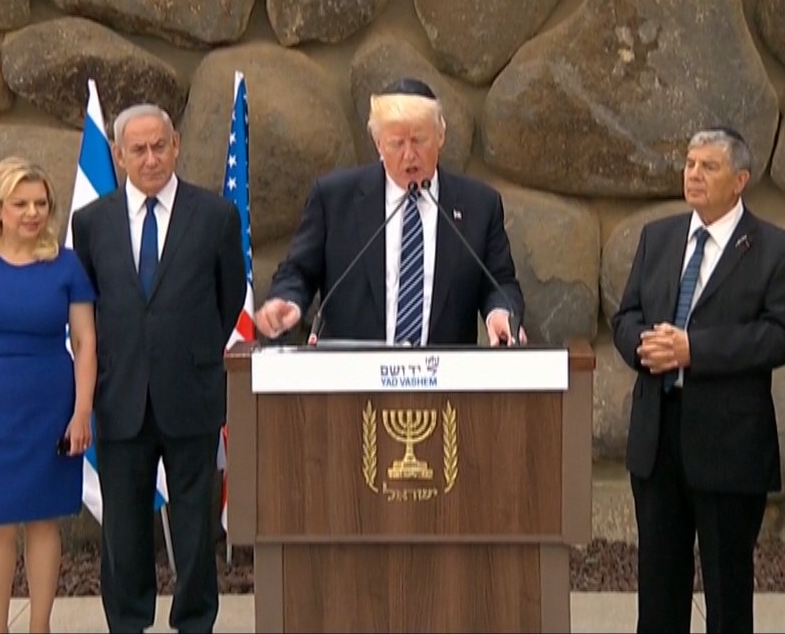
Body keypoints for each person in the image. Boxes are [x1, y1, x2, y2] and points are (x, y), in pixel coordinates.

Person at [611, 127, 785, 634]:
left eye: (709, 167)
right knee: (658, 590)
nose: (693, 174)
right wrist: (644, 345)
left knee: (726, 592)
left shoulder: (778, 250)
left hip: (728, 444)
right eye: (690, 163)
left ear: (740, 180)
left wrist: (693, 350)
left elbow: (779, 337)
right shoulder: (659, 237)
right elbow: (627, 313)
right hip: (658, 439)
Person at [71, 104, 246, 633]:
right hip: (120, 392)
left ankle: (194, 620)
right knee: (123, 526)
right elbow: (88, 305)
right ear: (119, 155)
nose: (151, 159)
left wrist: (189, 350)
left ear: (176, 146)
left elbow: (229, 295)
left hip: (189, 389)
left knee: (194, 523)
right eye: (138, 150)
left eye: (160, 146)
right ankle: (128, 620)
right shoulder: (91, 222)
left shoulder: (215, 216)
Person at [0, 156, 96, 633]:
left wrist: (82, 413)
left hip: (51, 403)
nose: (32, 212)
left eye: (41, 203)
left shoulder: (65, 264)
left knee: (46, 520)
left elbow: (87, 342)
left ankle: (40, 625)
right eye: (20, 203)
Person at [254, 77, 524, 346]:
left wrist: (499, 313)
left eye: (419, 140)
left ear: (441, 136)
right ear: (378, 144)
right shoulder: (335, 199)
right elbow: (298, 270)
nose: (409, 155)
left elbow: (500, 283)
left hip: (443, 380)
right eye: (397, 143)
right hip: (353, 379)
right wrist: (287, 299)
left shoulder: (479, 205)